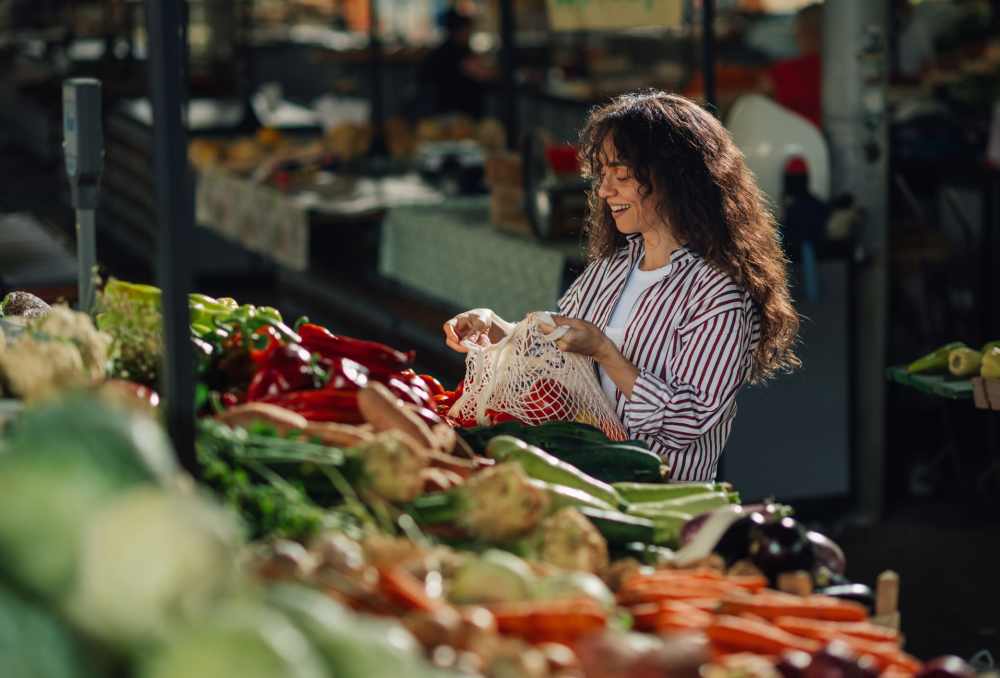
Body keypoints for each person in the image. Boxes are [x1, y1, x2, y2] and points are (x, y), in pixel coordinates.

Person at [443, 92, 800, 481]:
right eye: (602, 175)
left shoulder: (718, 296)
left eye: (622, 176)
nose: (603, 191)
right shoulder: (610, 271)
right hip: (586, 486)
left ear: (673, 178)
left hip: (661, 500)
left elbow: (688, 421)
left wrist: (606, 354)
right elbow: (557, 354)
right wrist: (497, 329)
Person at [416, 7, 489, 119]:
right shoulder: (455, 51)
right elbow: (481, 74)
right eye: (467, 30)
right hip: (457, 112)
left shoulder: (442, 50)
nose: (469, 33)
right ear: (458, 30)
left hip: (445, 110)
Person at [759, 3, 823, 128]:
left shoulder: (783, 71)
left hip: (792, 141)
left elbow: (757, 105)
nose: (795, 36)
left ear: (806, 32)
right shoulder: (847, 72)